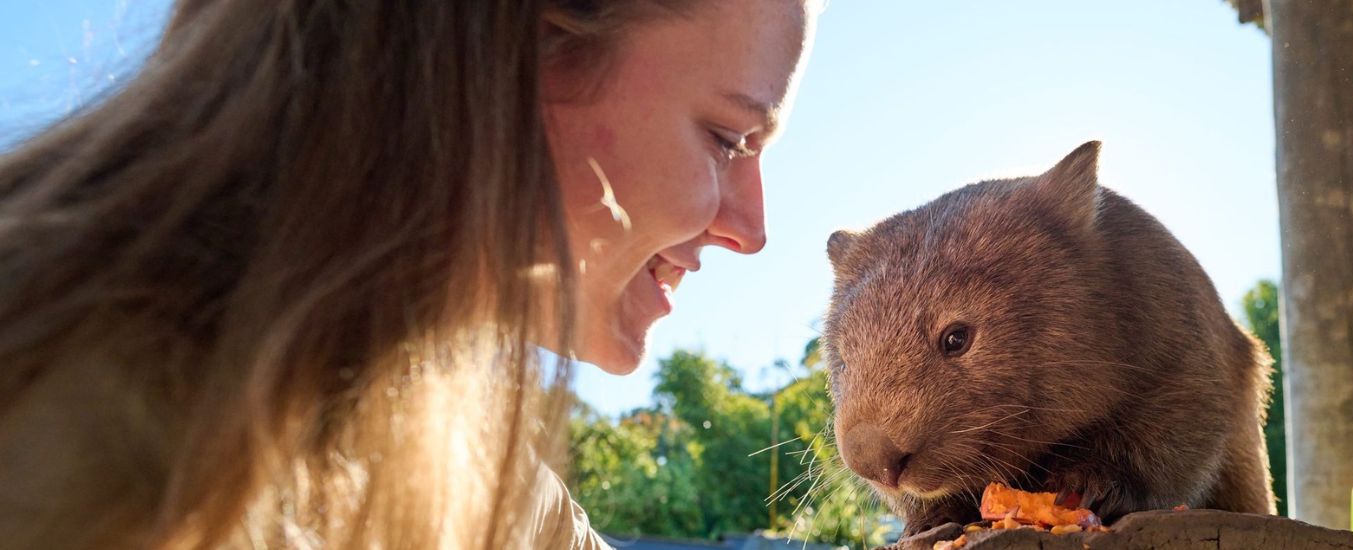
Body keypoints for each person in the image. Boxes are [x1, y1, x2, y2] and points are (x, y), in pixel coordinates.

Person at [0, 0, 818, 548]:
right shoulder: (80, 445)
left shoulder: (438, 434)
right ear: (520, 54)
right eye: (727, 138)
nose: (750, 230)